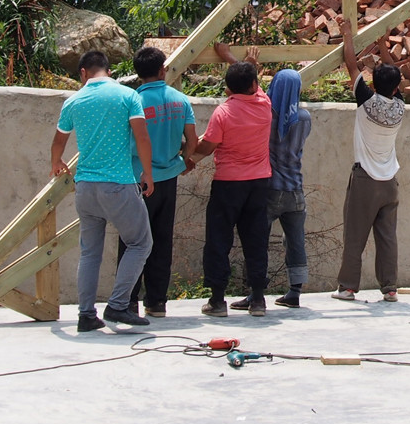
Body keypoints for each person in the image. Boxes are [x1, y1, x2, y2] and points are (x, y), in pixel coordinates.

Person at [49, 50, 155, 333]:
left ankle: (86, 315)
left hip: (85, 187)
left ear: (83, 73)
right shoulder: (127, 96)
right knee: (140, 243)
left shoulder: (73, 101)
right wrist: (147, 172)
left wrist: (56, 162)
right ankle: (118, 305)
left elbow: (58, 141)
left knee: (90, 253)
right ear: (109, 71)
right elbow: (142, 136)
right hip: (117, 184)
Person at [116, 46, 197, 318]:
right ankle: (157, 302)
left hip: (138, 179)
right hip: (169, 178)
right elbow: (193, 140)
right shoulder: (180, 100)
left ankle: (127, 301)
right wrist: (183, 161)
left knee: (132, 241)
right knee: (162, 240)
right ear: (162, 70)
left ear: (138, 73)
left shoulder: (133, 102)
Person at [332, 15, 406, 303]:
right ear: (396, 89)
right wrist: (384, 46)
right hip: (389, 182)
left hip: (365, 180)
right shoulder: (399, 107)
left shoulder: (366, 101)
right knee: (387, 238)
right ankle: (390, 288)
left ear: (373, 83)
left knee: (355, 235)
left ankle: (348, 287)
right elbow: (393, 76)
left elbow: (351, 64)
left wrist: (347, 33)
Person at [198, 43, 274, 318]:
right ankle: (258, 299)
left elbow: (207, 147)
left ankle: (218, 300)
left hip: (228, 183)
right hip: (259, 182)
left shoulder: (223, 112)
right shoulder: (264, 105)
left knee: (219, 240)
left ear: (228, 90)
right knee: (256, 240)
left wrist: (188, 153)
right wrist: (237, 59)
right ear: (254, 84)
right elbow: (251, 83)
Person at [230, 68, 313, 310]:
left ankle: (255, 293)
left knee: (257, 242)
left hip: (269, 190)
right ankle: (294, 292)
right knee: (296, 242)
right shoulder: (305, 118)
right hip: (296, 190)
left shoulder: (265, 115)